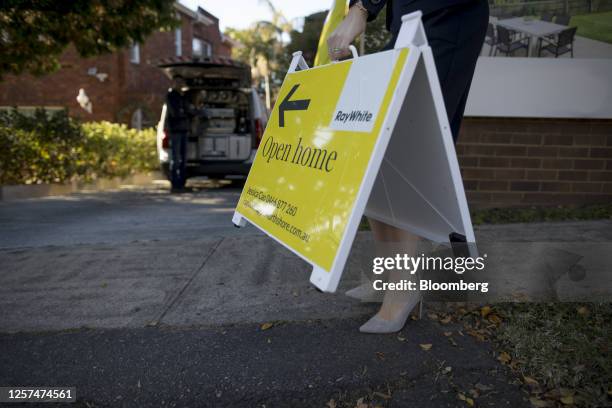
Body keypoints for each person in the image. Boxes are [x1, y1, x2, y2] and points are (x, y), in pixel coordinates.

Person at [327, 0, 488, 333]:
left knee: (410, 143)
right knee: (376, 145)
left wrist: (360, 10)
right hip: (406, 20)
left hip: (447, 14)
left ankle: (403, 288)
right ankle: (386, 273)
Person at [166, 80, 191, 191]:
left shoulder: (183, 97)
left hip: (184, 130)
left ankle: (181, 183)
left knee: (183, 159)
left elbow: (188, 110)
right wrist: (184, 112)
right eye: (178, 83)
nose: (180, 85)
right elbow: (175, 112)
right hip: (175, 130)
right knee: (176, 159)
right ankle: (174, 184)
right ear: (174, 84)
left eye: (181, 83)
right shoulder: (171, 96)